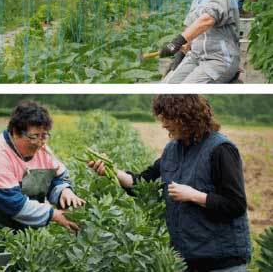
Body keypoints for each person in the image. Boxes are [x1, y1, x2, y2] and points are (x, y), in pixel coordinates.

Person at [87, 95, 250, 272]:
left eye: (167, 118)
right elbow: (141, 183)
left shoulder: (221, 149)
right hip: (185, 261)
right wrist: (111, 171)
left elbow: (236, 204)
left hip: (222, 261)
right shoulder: (172, 150)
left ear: (185, 116)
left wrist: (194, 195)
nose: (163, 124)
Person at [0, 100, 85, 255]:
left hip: (21, 227)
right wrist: (54, 214)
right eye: (34, 137)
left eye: (44, 136)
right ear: (15, 132)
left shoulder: (41, 149)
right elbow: (14, 204)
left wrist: (64, 191)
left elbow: (55, 178)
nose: (40, 143)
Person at [161, 0, 241, 84]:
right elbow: (192, 27)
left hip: (219, 59)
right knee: (166, 86)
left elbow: (207, 20)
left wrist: (177, 41)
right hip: (196, 57)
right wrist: (180, 54)